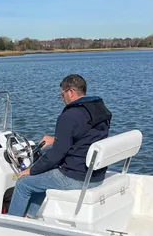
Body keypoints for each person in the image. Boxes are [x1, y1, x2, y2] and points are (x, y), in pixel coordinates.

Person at [7, 74, 112, 218]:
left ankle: (13, 223)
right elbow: (85, 138)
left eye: (62, 95)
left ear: (71, 92)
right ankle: (29, 216)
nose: (62, 99)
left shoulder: (69, 115)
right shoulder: (99, 109)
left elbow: (57, 154)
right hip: (95, 174)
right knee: (44, 171)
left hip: (76, 177)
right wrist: (56, 140)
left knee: (23, 183)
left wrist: (31, 170)